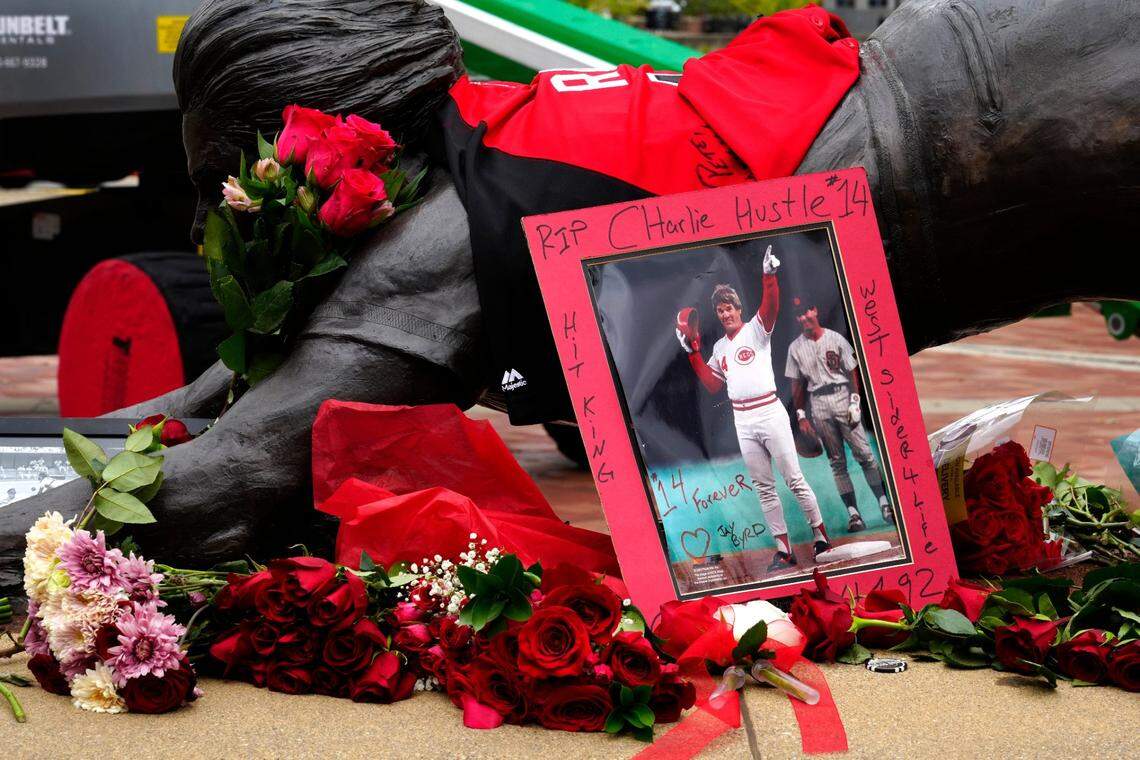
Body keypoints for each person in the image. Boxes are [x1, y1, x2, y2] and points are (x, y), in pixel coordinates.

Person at [675, 245, 830, 572]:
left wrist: (769, 277)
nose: (725, 314)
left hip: (770, 413)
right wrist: (693, 352)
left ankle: (820, 535)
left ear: (738, 308)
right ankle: (783, 549)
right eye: (720, 311)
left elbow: (770, 306)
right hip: (743, 421)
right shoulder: (719, 347)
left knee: (794, 479)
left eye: (729, 308)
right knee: (764, 486)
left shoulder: (757, 329)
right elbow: (713, 385)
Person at [786, 301, 893, 530]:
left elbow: (852, 370)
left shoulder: (836, 338)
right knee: (837, 462)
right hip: (819, 404)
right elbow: (796, 384)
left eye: (806, 310)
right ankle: (854, 514)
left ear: (815, 309)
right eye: (798, 315)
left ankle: (884, 504)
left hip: (842, 395)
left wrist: (855, 401)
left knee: (865, 454)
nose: (803, 317)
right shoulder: (795, 348)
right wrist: (801, 415)